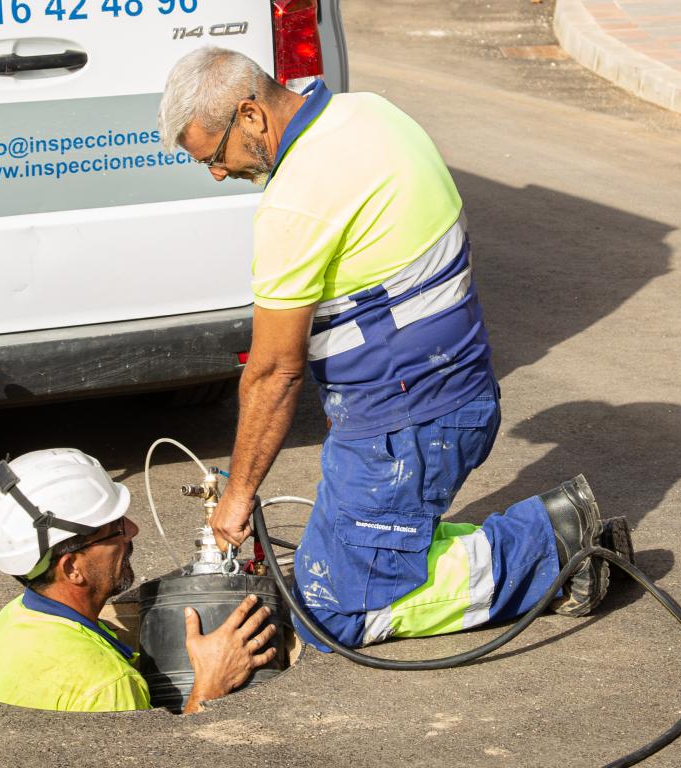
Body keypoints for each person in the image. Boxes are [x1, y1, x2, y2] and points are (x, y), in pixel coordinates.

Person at [157, 48, 632, 650]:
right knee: (337, 558)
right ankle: (519, 535)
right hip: (456, 391)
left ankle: (555, 549)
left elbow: (275, 372)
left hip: (406, 429)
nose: (218, 174)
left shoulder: (295, 201)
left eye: (213, 156)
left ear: (251, 115)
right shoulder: (372, 114)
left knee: (329, 611)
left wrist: (238, 496)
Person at [0, 447, 277, 712]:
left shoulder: (10, 621)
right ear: (72, 568)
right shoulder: (108, 686)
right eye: (115, 528)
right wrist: (210, 685)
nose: (132, 530)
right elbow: (162, 754)